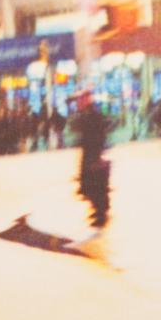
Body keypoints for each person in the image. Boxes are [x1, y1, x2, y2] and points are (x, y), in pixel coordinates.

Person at [72, 93, 111, 227]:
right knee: (91, 184)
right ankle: (98, 209)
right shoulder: (87, 114)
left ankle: (101, 213)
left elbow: (97, 133)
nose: (78, 103)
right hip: (90, 153)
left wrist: (97, 152)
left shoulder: (92, 114)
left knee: (95, 184)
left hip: (93, 154)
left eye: (80, 100)